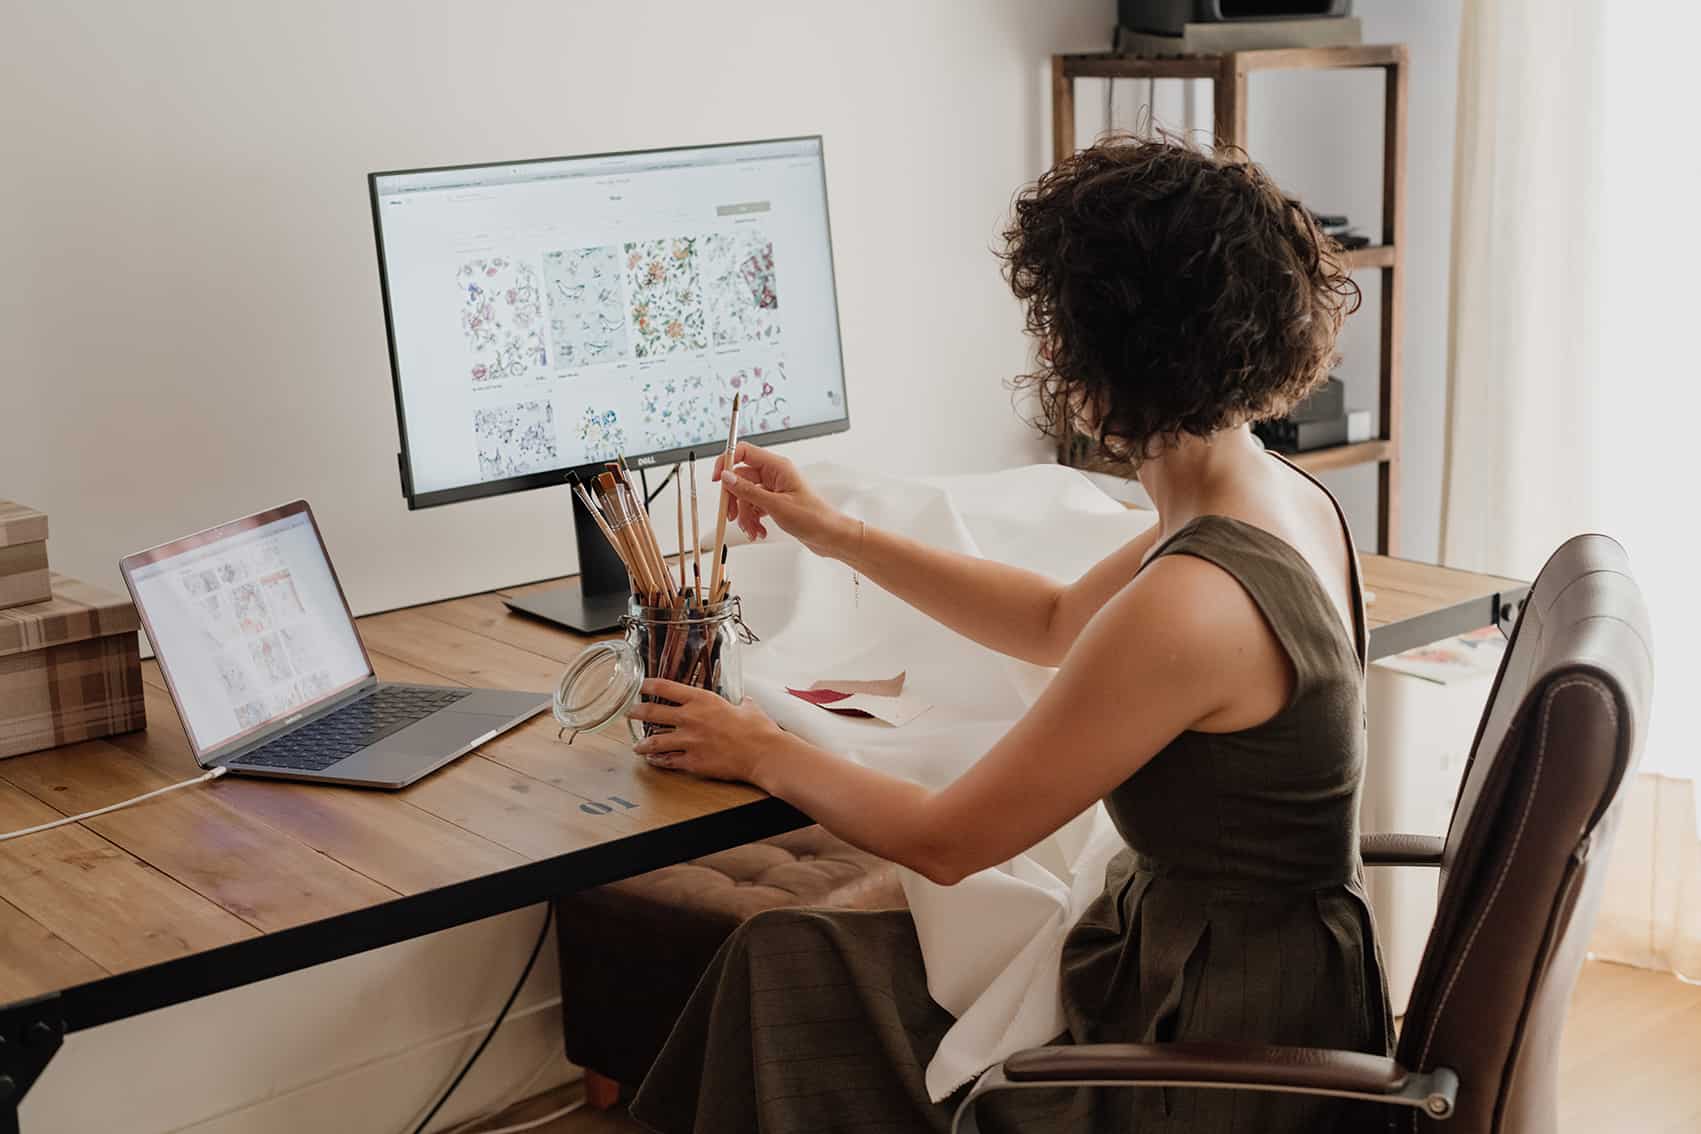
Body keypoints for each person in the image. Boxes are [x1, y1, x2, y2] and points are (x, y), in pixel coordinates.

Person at [626, 134, 1392, 1134]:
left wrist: (760, 749)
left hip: (1210, 1043)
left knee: (789, 975)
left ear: (1095, 351)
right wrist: (837, 532)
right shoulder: (1270, 493)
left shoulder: (1196, 597)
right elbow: (1053, 620)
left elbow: (951, 841)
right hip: (1237, 974)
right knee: (783, 960)